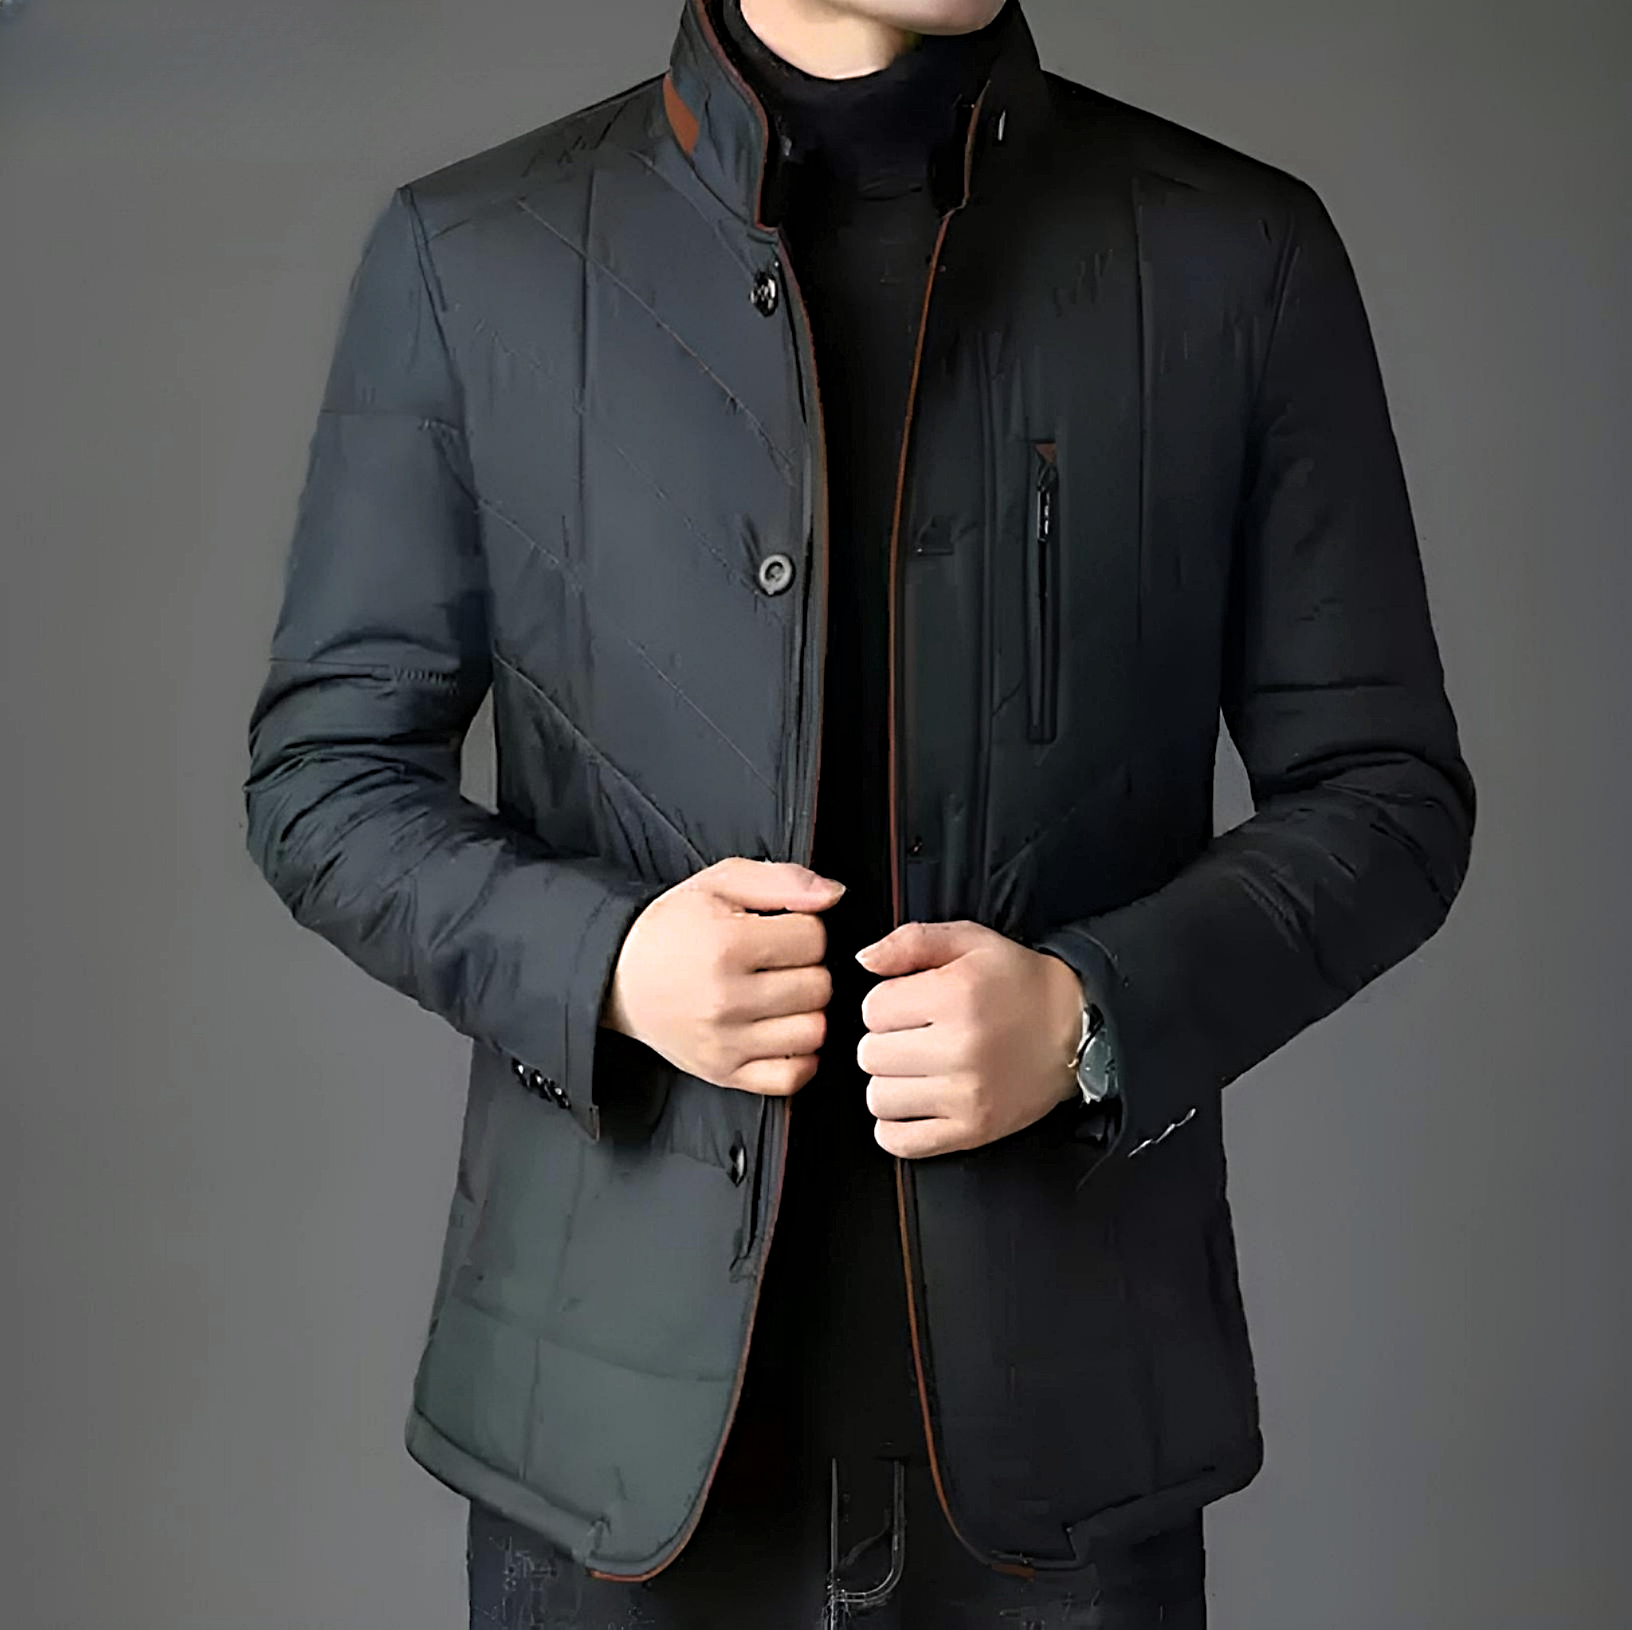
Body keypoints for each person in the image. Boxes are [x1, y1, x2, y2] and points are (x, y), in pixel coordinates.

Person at [243, 2, 1476, 1626]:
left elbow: (1389, 796)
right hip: (602, 1459)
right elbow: (324, 775)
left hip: (1068, 1464)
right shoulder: (475, 256)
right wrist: (608, 964)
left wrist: (1090, 1016)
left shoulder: (1237, 257)